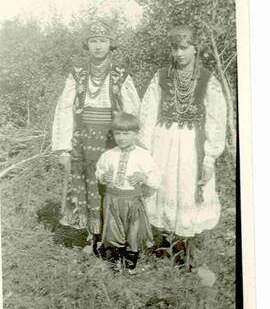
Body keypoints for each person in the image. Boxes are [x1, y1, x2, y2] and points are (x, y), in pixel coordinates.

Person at [138, 24, 227, 268]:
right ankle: (165, 243)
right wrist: (144, 149)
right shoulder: (161, 76)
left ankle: (186, 249)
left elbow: (217, 118)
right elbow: (147, 111)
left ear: (196, 49)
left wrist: (209, 156)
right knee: (165, 186)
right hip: (163, 143)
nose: (178, 53)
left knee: (188, 187)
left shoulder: (208, 79)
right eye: (174, 48)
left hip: (191, 146)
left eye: (184, 48)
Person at [52, 20, 141, 252]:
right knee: (86, 188)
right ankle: (91, 239)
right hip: (83, 142)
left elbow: (133, 111)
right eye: (93, 41)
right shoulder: (77, 75)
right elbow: (63, 110)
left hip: (112, 141)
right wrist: (63, 147)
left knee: (111, 186)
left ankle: (113, 238)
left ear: (110, 45)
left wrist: (134, 144)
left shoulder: (121, 75)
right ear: (87, 45)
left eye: (102, 41)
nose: (98, 46)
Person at [95, 112, 161, 274]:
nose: (121, 138)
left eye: (126, 133)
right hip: (112, 200)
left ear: (136, 134)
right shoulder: (108, 155)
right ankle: (115, 262)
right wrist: (103, 177)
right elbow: (99, 172)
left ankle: (130, 265)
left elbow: (156, 177)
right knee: (112, 231)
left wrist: (143, 177)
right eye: (118, 133)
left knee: (133, 232)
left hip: (132, 201)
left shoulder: (143, 155)